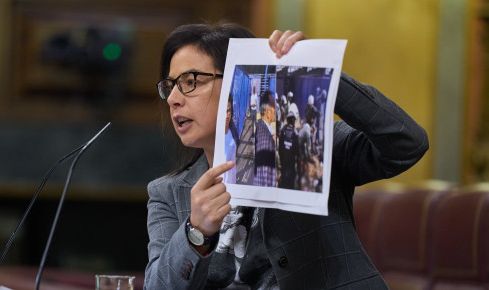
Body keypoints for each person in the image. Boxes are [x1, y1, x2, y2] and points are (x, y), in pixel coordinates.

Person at [147, 22, 428, 289]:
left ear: (236, 80)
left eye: (190, 81)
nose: (173, 98)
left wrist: (323, 75)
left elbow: (407, 144)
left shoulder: (309, 147)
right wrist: (195, 232)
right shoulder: (168, 192)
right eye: (170, 85)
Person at [253, 91, 277, 187]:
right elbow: (267, 179)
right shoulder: (266, 141)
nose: (276, 110)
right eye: (274, 107)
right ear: (267, 112)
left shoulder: (261, 126)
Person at [224, 93, 237, 184]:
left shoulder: (233, 130)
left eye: (229, 111)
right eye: (224, 111)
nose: (227, 115)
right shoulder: (215, 137)